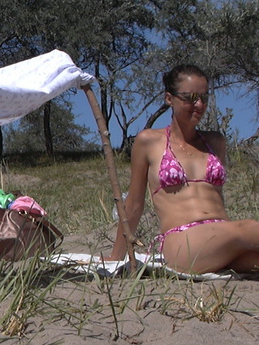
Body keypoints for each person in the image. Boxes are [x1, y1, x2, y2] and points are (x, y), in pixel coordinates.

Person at [107, 64, 259, 274]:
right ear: (169, 98)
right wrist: (116, 257)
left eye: (204, 98)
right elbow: (133, 205)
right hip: (183, 241)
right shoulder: (149, 141)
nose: (199, 104)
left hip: (222, 239)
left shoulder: (215, 142)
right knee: (249, 228)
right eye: (190, 98)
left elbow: (217, 197)